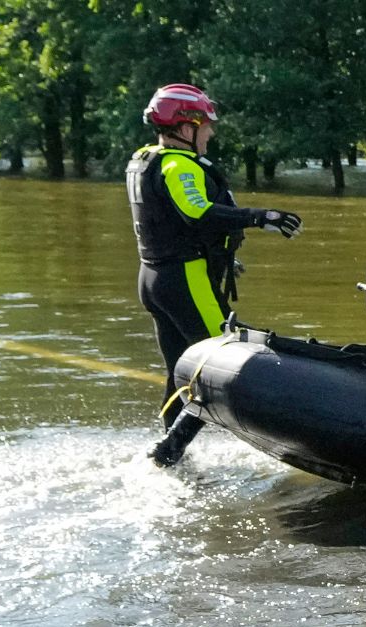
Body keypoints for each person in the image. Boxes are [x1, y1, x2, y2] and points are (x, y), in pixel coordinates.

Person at [126, 83, 302, 467]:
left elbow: (168, 224)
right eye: (204, 124)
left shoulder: (144, 159)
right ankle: (169, 449)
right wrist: (262, 216)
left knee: (178, 370)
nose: (210, 132)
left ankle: (169, 458)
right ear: (184, 126)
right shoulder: (177, 165)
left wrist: (223, 257)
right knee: (217, 365)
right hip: (183, 280)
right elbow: (197, 213)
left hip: (155, 279)